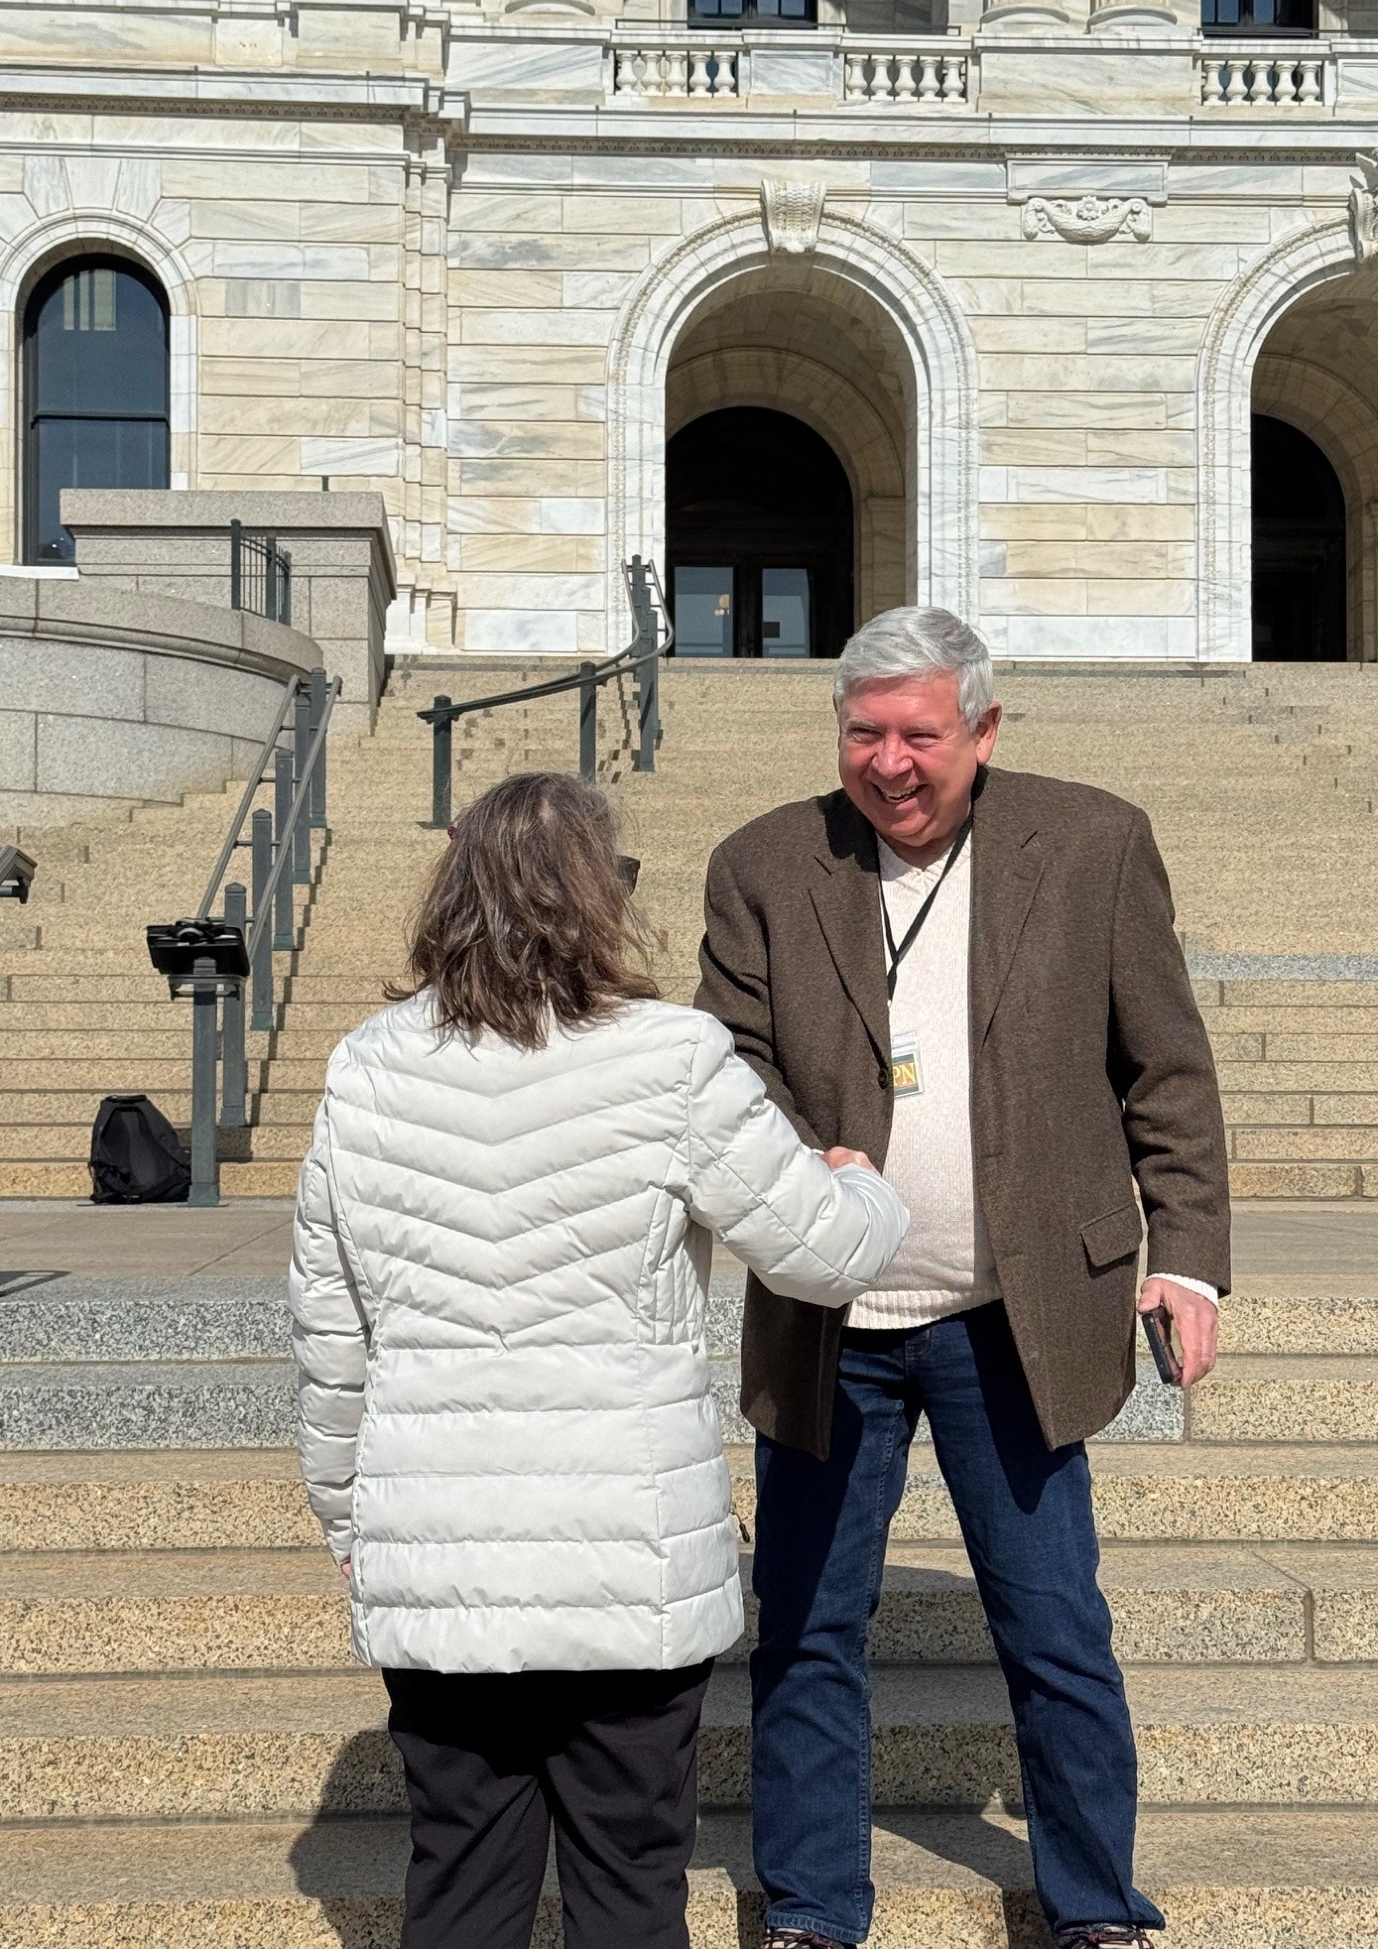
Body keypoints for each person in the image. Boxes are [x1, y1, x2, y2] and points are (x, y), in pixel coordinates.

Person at [288, 770, 908, 1949]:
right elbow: (826, 1255)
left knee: (460, 1887)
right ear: (598, 898)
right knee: (631, 1889)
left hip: (442, 1563)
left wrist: (359, 1527)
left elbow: (331, 1333)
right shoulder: (672, 1055)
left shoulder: (367, 1065)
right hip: (628, 1567)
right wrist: (861, 1181)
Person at [695, 607, 1232, 1949]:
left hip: (1018, 1316)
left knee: (1054, 1627)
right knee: (810, 1629)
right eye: (863, 734)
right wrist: (781, 1141)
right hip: (833, 1319)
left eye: (919, 734)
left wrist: (1191, 1262)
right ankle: (815, 1911)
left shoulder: (1092, 843)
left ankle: (1096, 1908)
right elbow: (728, 1059)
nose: (888, 763)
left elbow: (1165, 1067)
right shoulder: (765, 862)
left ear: (984, 731)